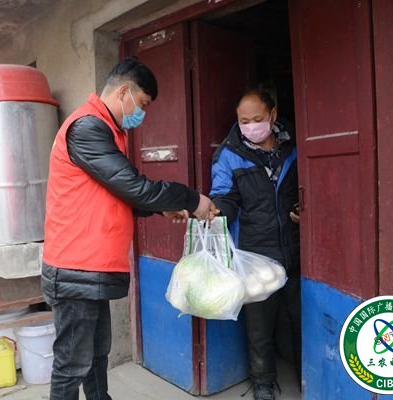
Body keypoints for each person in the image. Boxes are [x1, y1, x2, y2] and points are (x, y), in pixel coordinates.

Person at [41, 58, 215, 400]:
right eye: (143, 104)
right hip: (75, 267)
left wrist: (162, 207)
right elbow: (134, 187)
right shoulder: (87, 128)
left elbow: (118, 194)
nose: (142, 114)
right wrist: (192, 199)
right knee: (71, 364)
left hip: (90, 268)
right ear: (124, 92)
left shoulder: (107, 131)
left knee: (95, 357)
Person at [210, 89, 301, 400]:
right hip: (255, 254)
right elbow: (224, 195)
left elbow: (309, 186)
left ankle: (307, 375)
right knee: (259, 326)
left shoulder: (293, 146)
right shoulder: (229, 154)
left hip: (294, 248)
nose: (251, 126)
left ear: (273, 115)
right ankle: (263, 383)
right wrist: (214, 212)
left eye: (257, 119)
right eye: (244, 121)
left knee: (299, 318)